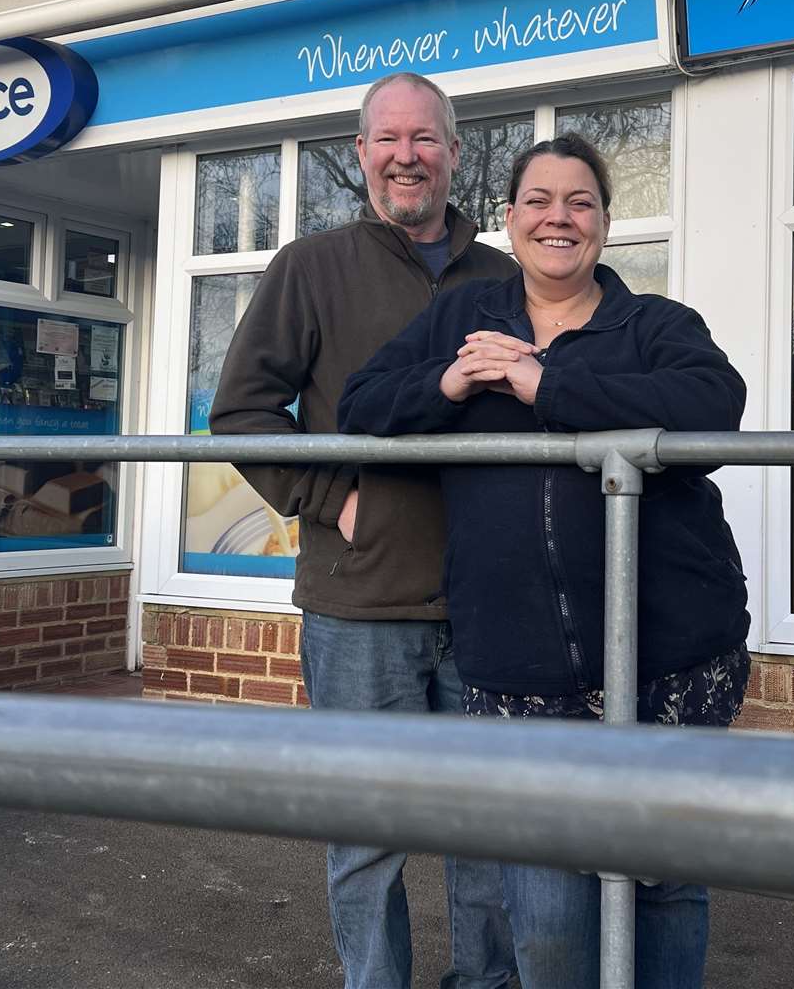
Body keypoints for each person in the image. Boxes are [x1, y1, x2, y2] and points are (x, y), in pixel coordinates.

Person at [338, 133, 750, 989]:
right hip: (517, 667)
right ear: (510, 217)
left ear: (603, 223)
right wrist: (448, 385)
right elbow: (361, 404)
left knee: (663, 878)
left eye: (580, 203)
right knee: (548, 907)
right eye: (538, 200)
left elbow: (715, 405)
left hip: (667, 661)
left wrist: (543, 384)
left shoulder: (655, 324)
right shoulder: (461, 320)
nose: (558, 218)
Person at [208, 72, 517, 989]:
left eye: (425, 139)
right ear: (361, 156)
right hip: (359, 602)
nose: (406, 156)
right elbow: (244, 413)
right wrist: (339, 497)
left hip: (489, 600)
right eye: (387, 140)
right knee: (367, 838)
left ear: (456, 154)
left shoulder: (504, 277)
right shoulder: (309, 268)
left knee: (489, 832)